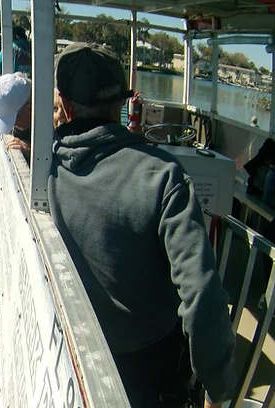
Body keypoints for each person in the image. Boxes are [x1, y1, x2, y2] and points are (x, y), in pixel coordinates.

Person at [50, 43, 236, 408]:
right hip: (151, 370)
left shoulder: (45, 167)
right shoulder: (163, 176)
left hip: (76, 355)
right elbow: (201, 296)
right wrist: (218, 387)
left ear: (65, 107)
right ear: (122, 102)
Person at [0, 72, 32, 157]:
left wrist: (32, 153)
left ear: (28, 109)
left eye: (14, 120)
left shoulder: (54, 120)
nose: (13, 126)